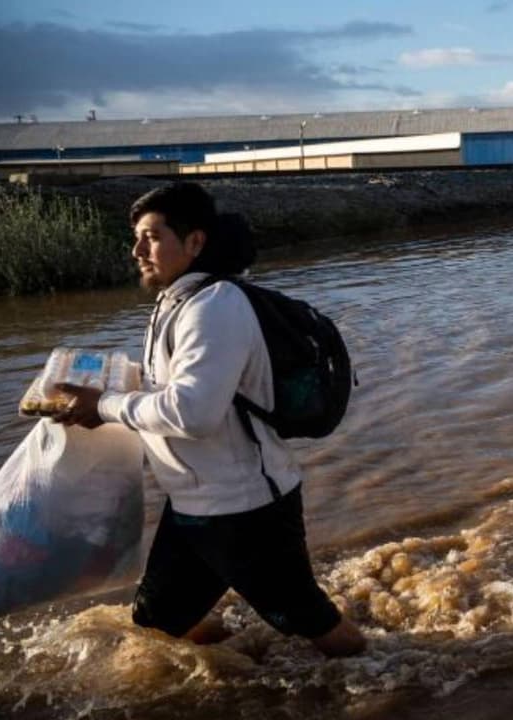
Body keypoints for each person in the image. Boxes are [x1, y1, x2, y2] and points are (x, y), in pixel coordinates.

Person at [52, 182, 365, 657]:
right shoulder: (176, 301)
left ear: (195, 242)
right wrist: (109, 384)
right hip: (194, 504)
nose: (137, 249)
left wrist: (104, 406)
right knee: (158, 621)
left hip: (246, 511)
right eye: (136, 236)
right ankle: (245, 662)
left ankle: (394, 681)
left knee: (315, 625)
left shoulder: (216, 306)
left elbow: (192, 412)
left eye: (152, 236)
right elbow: (169, 386)